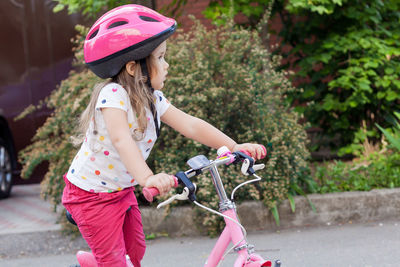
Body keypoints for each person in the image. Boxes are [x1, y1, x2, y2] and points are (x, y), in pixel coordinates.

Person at [62, 4, 266, 267]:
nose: (166, 64)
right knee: (114, 261)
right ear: (134, 67)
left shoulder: (153, 99)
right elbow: (122, 140)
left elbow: (191, 125)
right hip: (90, 196)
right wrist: (147, 177)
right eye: (160, 58)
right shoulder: (113, 96)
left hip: (120, 191)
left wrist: (234, 145)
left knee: (135, 251)